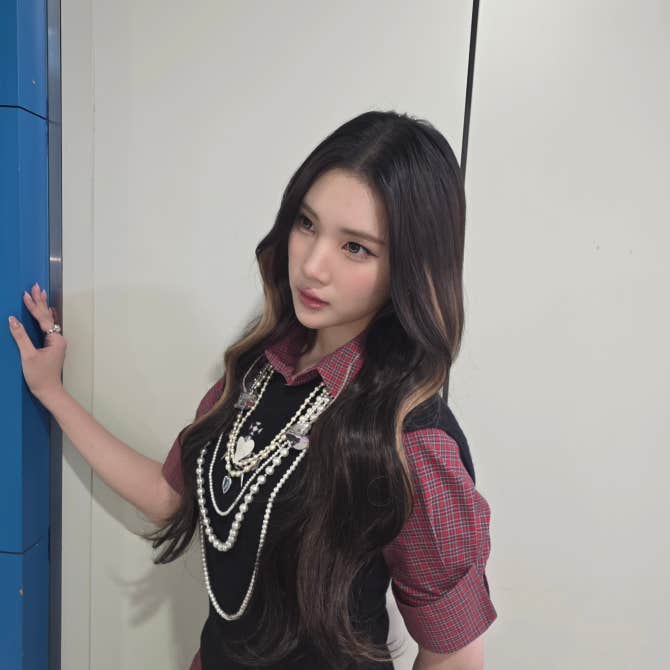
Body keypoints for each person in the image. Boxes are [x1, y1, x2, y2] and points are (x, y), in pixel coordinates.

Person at [8, 110, 497, 670]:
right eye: (307, 224)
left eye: (356, 248)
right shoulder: (257, 371)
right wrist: (52, 392)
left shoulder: (412, 438)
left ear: (409, 267)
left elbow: (454, 655)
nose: (312, 265)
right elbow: (168, 496)